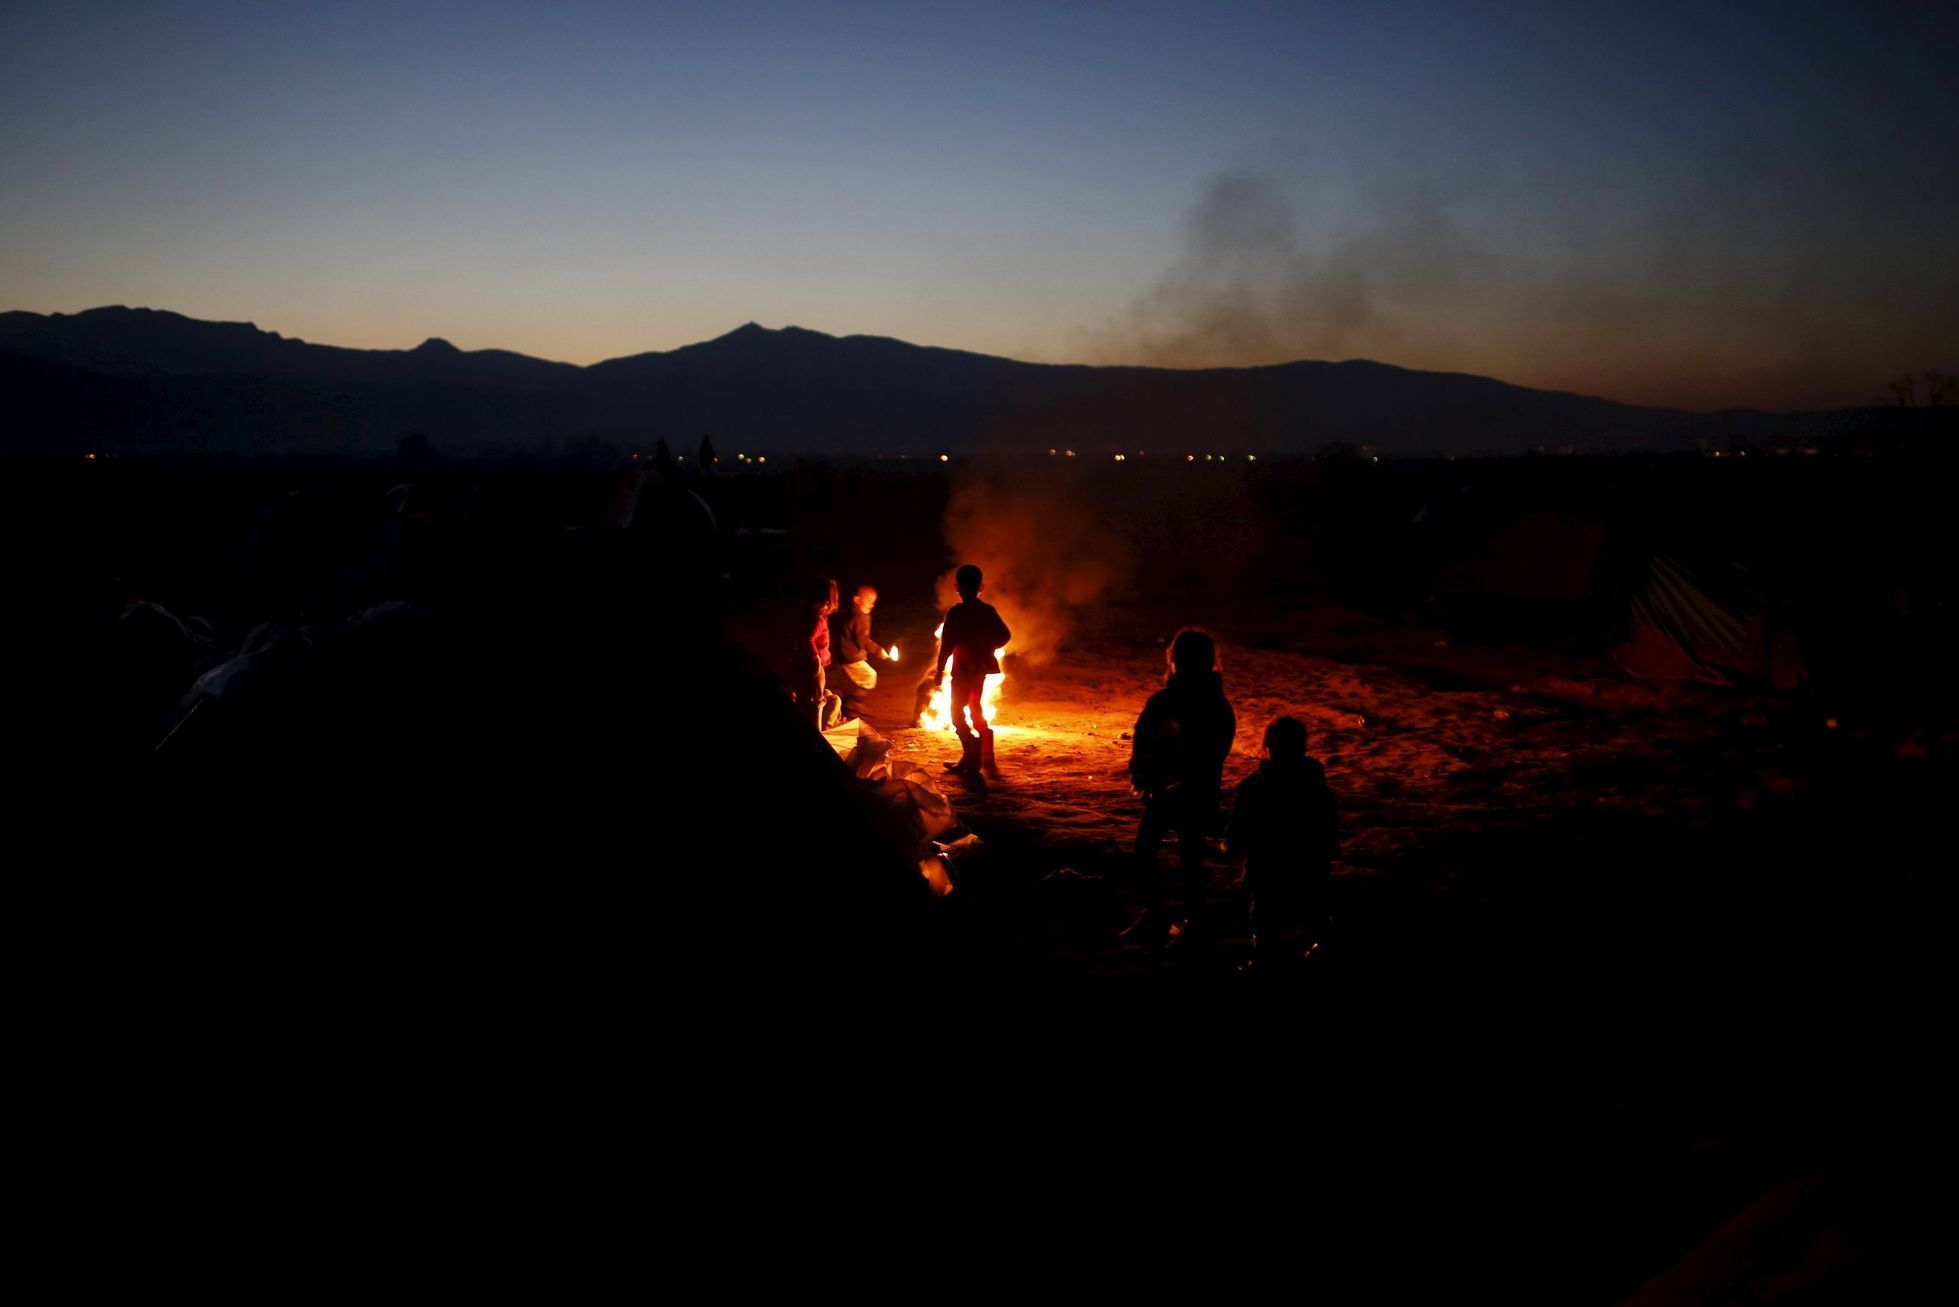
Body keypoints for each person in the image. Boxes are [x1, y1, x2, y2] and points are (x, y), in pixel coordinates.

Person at [1125, 628, 1236, 949]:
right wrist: (1143, 775)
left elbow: (1213, 751)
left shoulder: (1210, 705)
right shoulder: (1168, 701)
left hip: (1190, 792)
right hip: (1168, 792)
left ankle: (1193, 922)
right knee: (1151, 854)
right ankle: (1159, 916)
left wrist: (1170, 775)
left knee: (1185, 857)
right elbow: (1143, 738)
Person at [1227, 715, 1338, 971]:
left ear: (1268, 747)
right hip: (1310, 867)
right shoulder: (1318, 787)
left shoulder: (1252, 788)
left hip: (1267, 870)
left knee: (1263, 917)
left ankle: (1261, 959)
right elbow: (1329, 830)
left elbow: (1237, 837)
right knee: (1314, 912)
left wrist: (1231, 847)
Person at [934, 564, 1009, 785]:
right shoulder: (988, 611)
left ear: (957, 587)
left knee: (957, 713)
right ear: (981, 587)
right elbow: (1005, 635)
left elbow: (946, 644)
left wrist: (939, 671)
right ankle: (980, 755)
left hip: (963, 670)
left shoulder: (956, 613)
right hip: (980, 670)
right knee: (975, 708)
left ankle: (972, 752)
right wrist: (988, 647)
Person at [833, 584, 894, 720]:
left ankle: (850, 708)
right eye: (868, 600)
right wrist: (877, 650)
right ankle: (853, 704)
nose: (871, 604)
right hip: (851, 656)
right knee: (870, 676)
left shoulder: (851, 614)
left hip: (844, 655)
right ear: (857, 600)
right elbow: (862, 640)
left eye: (873, 601)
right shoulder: (860, 617)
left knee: (853, 681)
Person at [789, 577, 841, 730]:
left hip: (805, 664)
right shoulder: (817, 619)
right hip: (814, 667)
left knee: (813, 700)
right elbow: (808, 638)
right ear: (828, 599)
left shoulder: (809, 616)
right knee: (817, 701)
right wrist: (816, 658)